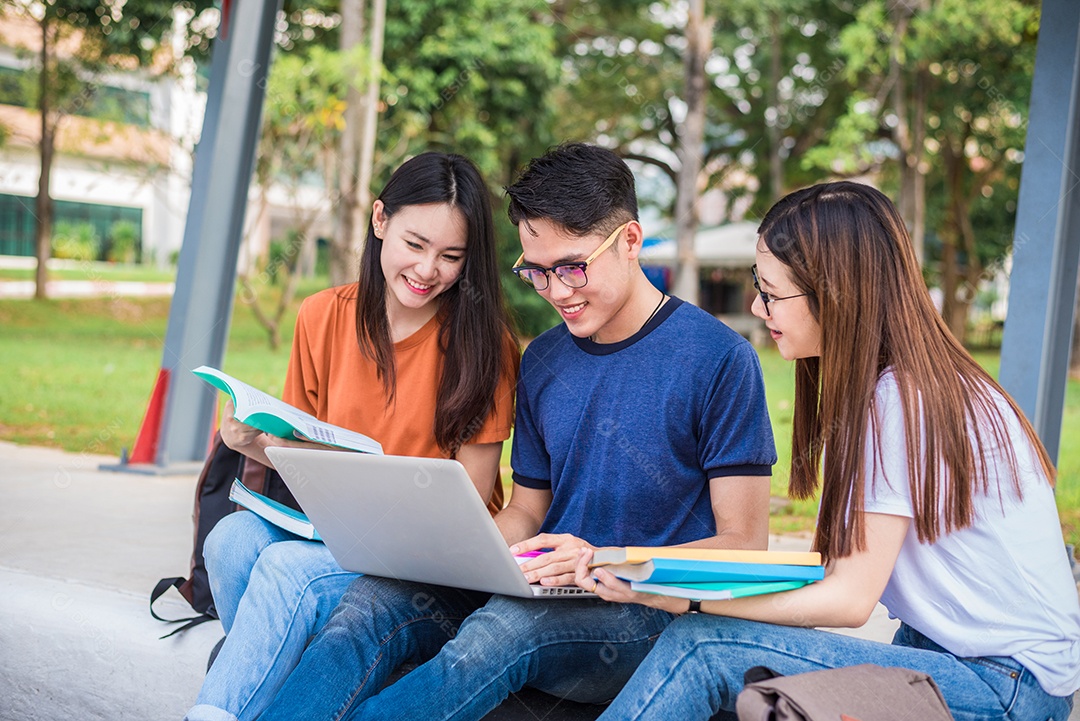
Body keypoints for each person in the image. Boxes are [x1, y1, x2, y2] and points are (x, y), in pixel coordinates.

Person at [254, 142, 778, 721]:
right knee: (368, 607)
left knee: (502, 631)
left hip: (643, 607)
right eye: (538, 272)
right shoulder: (545, 359)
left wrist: (607, 559)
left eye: (573, 267)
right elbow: (528, 512)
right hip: (542, 584)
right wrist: (459, 552)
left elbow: (745, 546)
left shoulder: (720, 359)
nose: (557, 292)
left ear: (630, 242)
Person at [574, 181, 1080, 721]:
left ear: (835, 293)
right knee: (724, 647)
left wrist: (683, 599)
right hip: (945, 654)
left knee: (702, 645)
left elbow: (847, 600)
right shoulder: (899, 386)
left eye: (770, 293)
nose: (755, 305)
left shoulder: (901, 401)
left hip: (1004, 684)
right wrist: (646, 566)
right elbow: (828, 574)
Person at [184, 152, 519, 721]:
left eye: (451, 257)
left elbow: (474, 498)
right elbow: (305, 450)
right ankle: (283, 685)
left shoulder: (486, 347)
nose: (428, 269)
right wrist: (254, 443)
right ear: (380, 219)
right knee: (231, 541)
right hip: (330, 529)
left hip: (421, 560)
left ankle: (222, 708)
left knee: (283, 570)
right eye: (415, 244)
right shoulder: (322, 316)